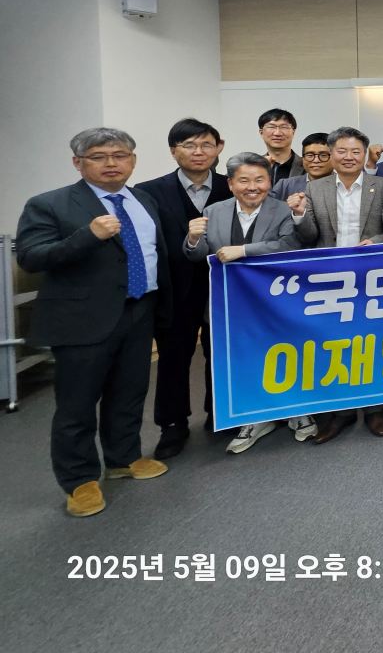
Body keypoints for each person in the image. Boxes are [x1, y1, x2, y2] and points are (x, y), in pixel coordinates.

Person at [16, 128, 171, 517]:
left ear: (133, 160)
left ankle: (123, 458)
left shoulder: (143, 200)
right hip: (82, 319)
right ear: (78, 162)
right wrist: (87, 236)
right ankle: (79, 480)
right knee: (77, 404)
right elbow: (31, 258)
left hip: (139, 310)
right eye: (99, 157)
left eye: (120, 155)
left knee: (129, 392)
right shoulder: (49, 204)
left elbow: (155, 254)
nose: (111, 163)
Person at [290, 127, 383, 443]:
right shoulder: (314, 188)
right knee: (336, 343)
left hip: (372, 277)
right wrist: (299, 215)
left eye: (356, 151)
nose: (349, 157)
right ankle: (341, 412)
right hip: (331, 280)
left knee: (373, 342)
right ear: (331, 154)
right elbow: (309, 236)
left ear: (364, 154)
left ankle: (375, 408)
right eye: (342, 151)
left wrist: (376, 242)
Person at [185, 152, 305, 453]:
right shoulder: (214, 211)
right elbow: (198, 255)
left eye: (260, 180)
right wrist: (192, 239)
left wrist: (245, 250)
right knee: (243, 360)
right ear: (231, 183)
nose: (253, 187)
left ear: (269, 182)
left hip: (274, 304)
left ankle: (296, 411)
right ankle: (254, 418)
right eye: (244, 180)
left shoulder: (282, 210)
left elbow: (289, 246)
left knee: (283, 355)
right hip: (230, 306)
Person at [135, 118, 231, 459]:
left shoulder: (234, 185)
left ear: (219, 148)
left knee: (222, 353)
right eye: (189, 145)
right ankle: (172, 424)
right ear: (173, 151)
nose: (198, 152)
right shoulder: (148, 191)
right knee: (174, 358)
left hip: (226, 289)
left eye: (206, 144)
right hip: (174, 291)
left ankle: (220, 413)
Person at [270, 132, 333, 200]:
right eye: (310, 155)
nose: (316, 160)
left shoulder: (341, 184)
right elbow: (266, 205)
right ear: (303, 158)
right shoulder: (285, 185)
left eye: (323, 155)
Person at [258, 108, 303, 185]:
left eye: (284, 127)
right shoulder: (251, 166)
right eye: (271, 127)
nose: (277, 133)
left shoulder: (308, 165)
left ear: (293, 132)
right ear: (261, 132)